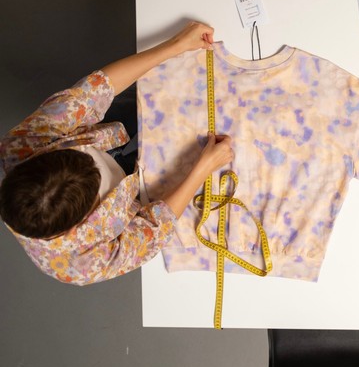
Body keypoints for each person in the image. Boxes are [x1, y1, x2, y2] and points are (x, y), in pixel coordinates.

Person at [0, 21, 233, 284]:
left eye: (80, 152)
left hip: (106, 130)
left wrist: (176, 45)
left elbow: (98, 89)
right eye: (96, 173)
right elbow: (154, 229)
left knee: (154, 94)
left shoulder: (22, 143)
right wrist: (203, 168)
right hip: (141, 190)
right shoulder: (81, 265)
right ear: (84, 219)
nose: (94, 160)